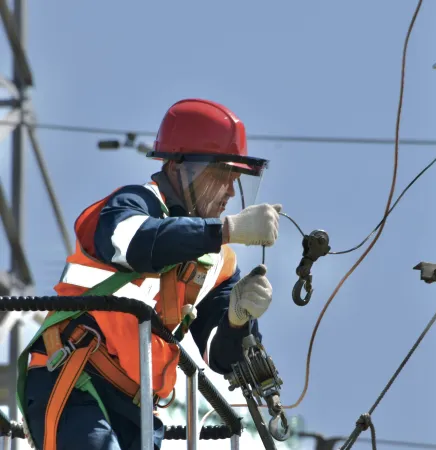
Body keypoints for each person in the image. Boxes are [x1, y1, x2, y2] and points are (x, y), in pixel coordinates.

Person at [19, 98, 282, 450]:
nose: (231, 191)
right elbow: (136, 244)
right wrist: (223, 230)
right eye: (221, 175)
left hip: (136, 409)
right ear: (179, 168)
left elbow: (222, 357)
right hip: (76, 375)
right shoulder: (132, 205)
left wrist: (238, 319)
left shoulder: (218, 263)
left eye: (236, 178)